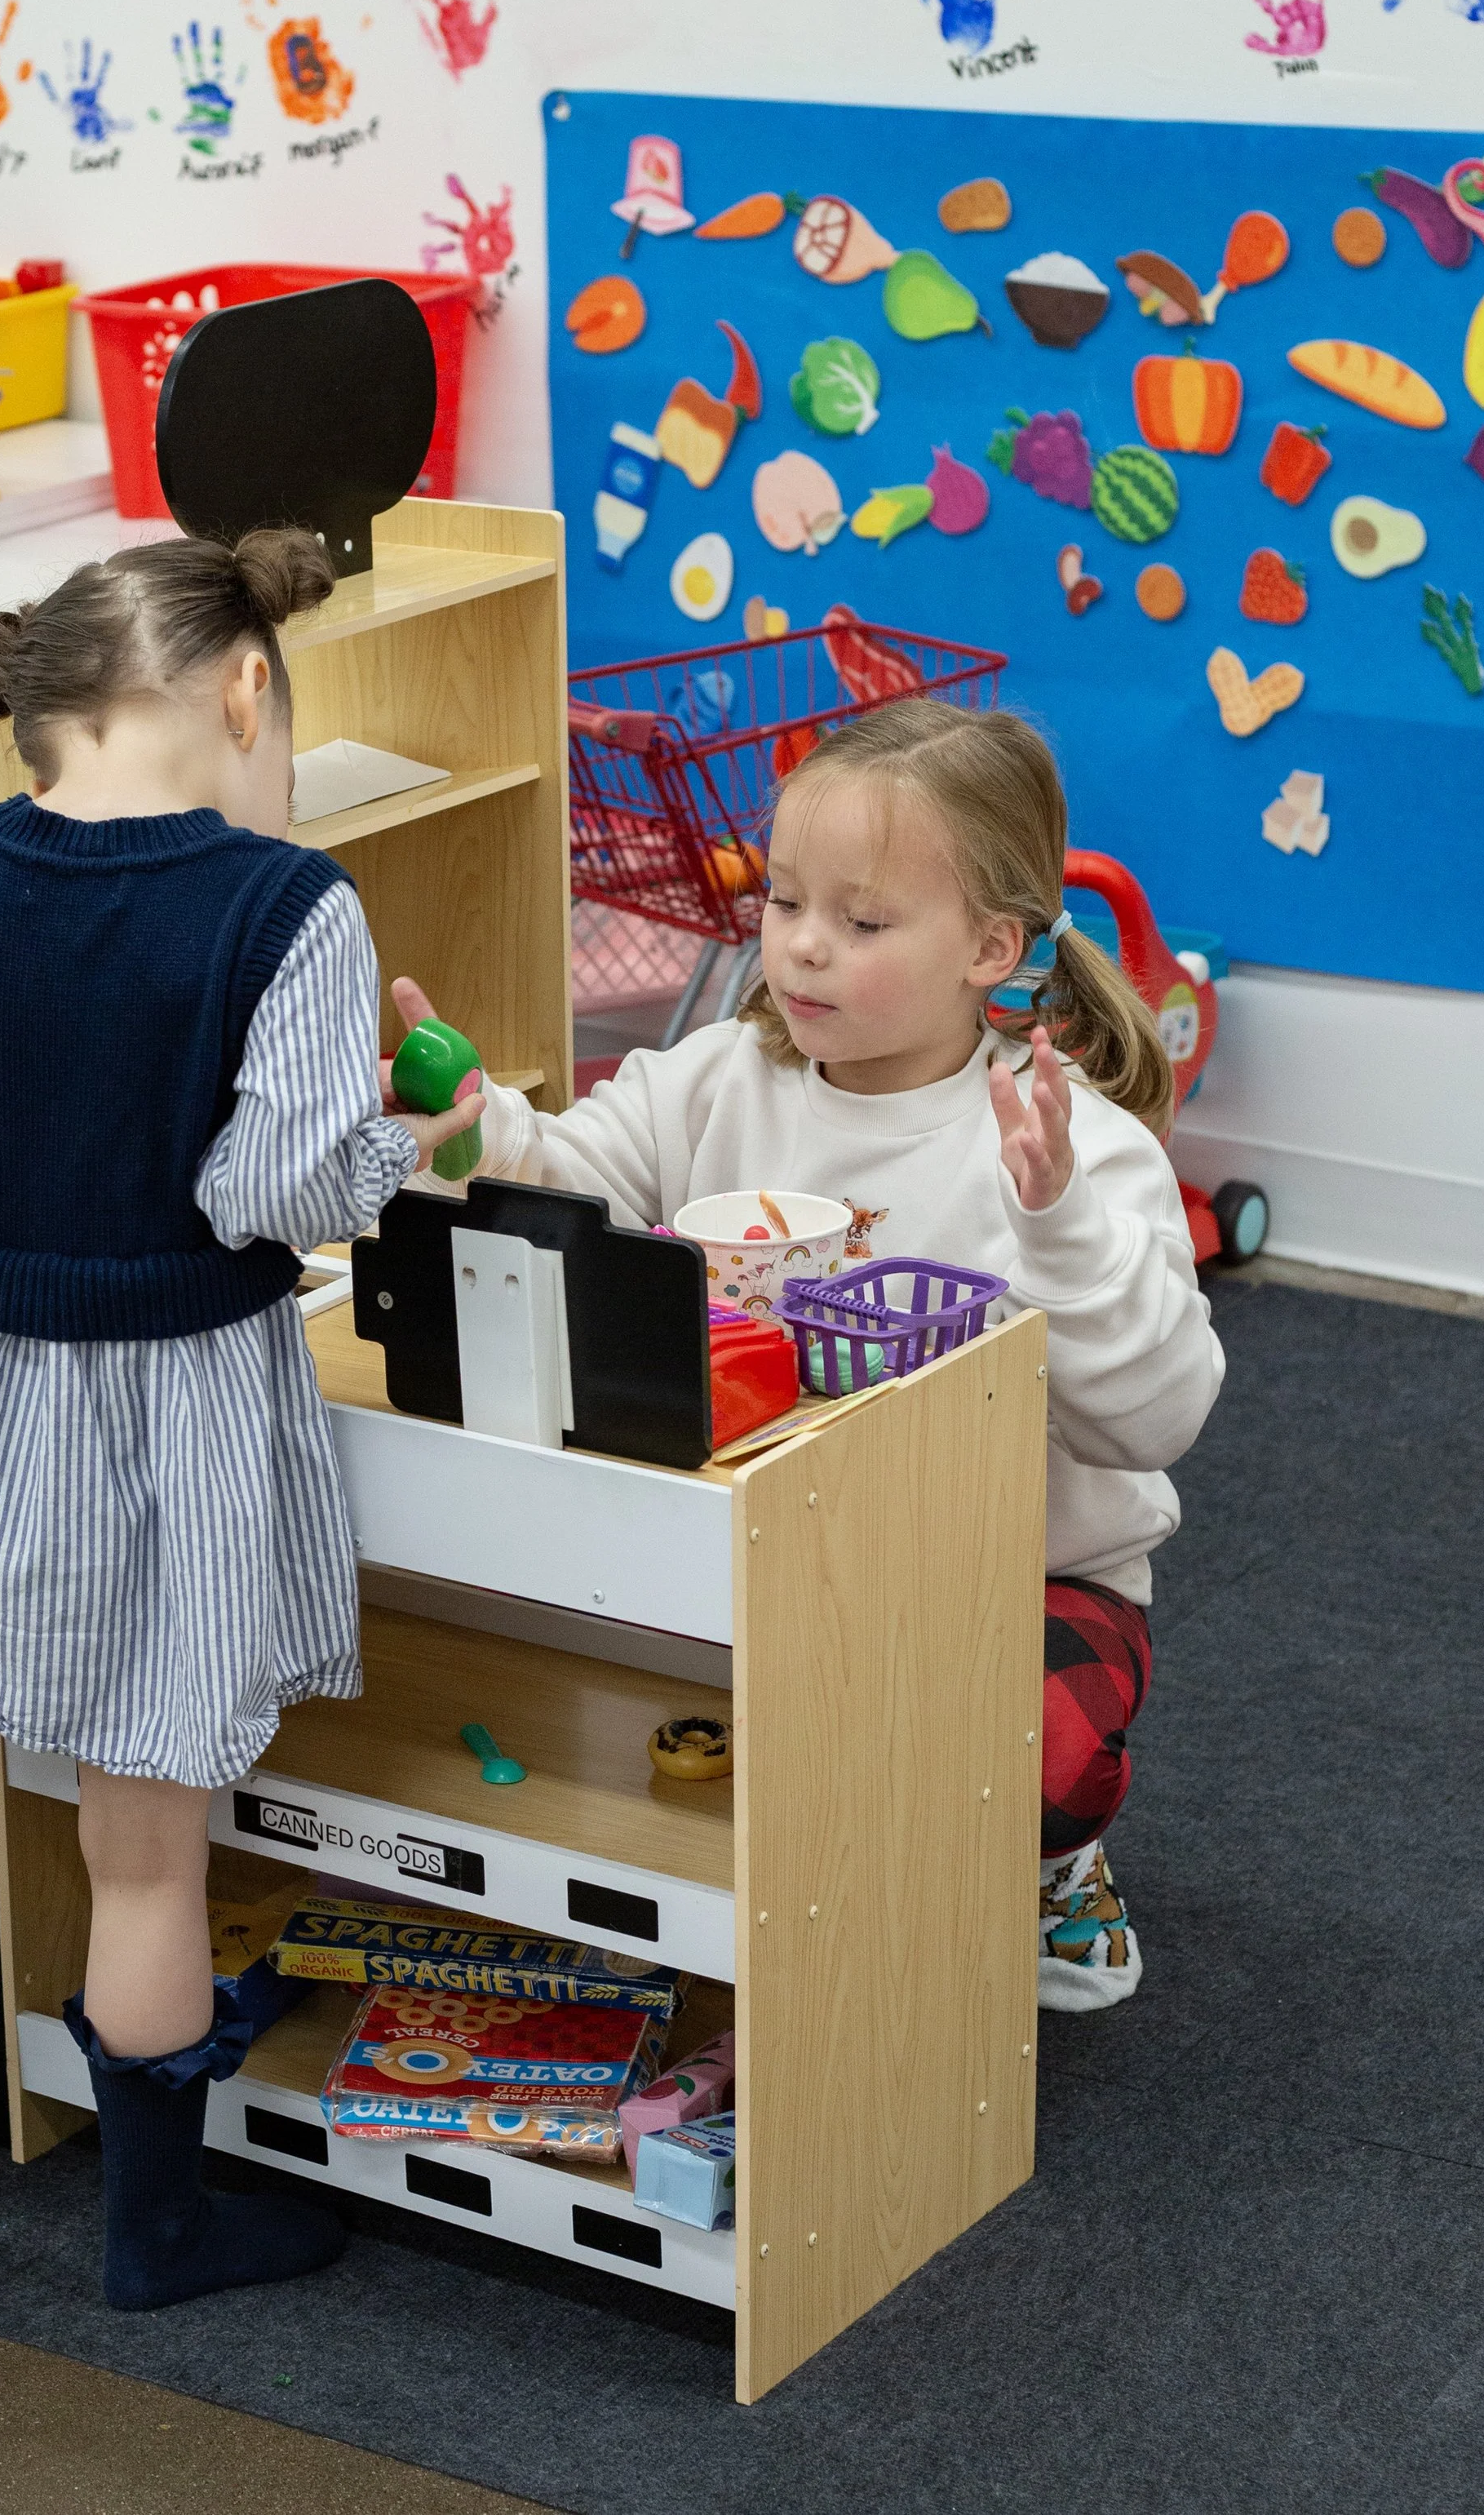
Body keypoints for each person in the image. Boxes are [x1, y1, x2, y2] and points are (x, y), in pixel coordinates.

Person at [0, 530, 478, 2304]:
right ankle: (157, 2228)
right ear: (240, 693)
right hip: (170, 1419)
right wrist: (412, 1141)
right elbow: (274, 1183)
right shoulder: (290, 909)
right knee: (142, 1849)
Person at [389, 699, 1221, 2010]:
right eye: (783, 902)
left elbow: (1159, 1419)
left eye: (865, 920)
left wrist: (1056, 1224)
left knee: (1030, 1758)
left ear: (991, 947)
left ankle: (1058, 1869)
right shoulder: (720, 1075)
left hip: (1011, 1573)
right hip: (760, 1551)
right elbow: (573, 1180)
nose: (806, 945)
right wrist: (474, 1129)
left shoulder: (1067, 1141)